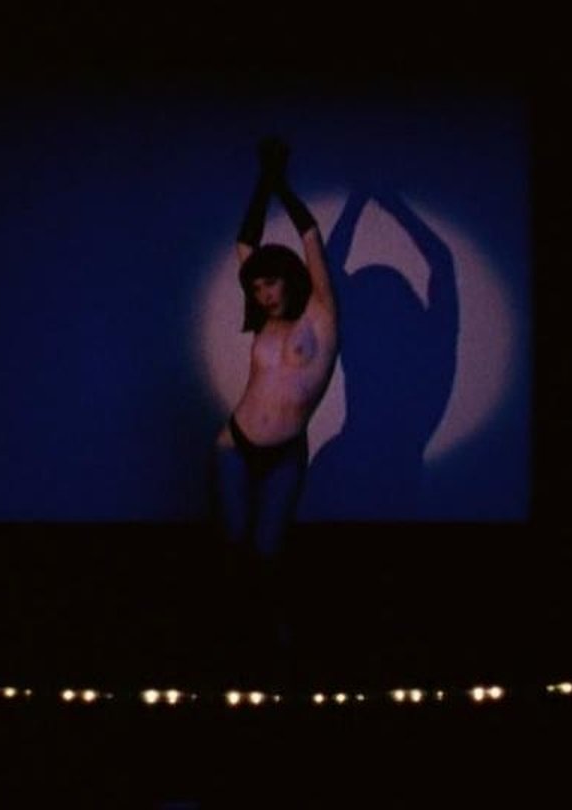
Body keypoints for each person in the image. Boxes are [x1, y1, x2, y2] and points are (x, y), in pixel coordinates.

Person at [210, 138, 338, 668]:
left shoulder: (321, 316)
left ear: (290, 279)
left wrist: (281, 183)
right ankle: (233, 632)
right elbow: (245, 242)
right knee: (234, 544)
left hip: (286, 453)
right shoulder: (263, 318)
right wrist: (264, 178)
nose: (263, 295)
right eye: (256, 288)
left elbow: (312, 239)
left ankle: (271, 627)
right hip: (234, 446)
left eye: (271, 284)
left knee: (267, 551)